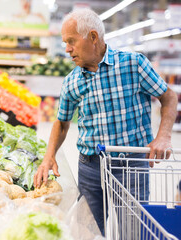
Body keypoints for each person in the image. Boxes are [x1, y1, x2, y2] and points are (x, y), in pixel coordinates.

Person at [33, 8, 178, 235]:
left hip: (131, 166)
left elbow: (168, 96)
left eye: (71, 41)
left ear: (92, 37)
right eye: (65, 43)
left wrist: (163, 136)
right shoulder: (71, 81)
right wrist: (49, 156)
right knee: (87, 232)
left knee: (134, 232)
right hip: (90, 167)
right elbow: (61, 122)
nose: (67, 49)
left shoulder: (133, 64)